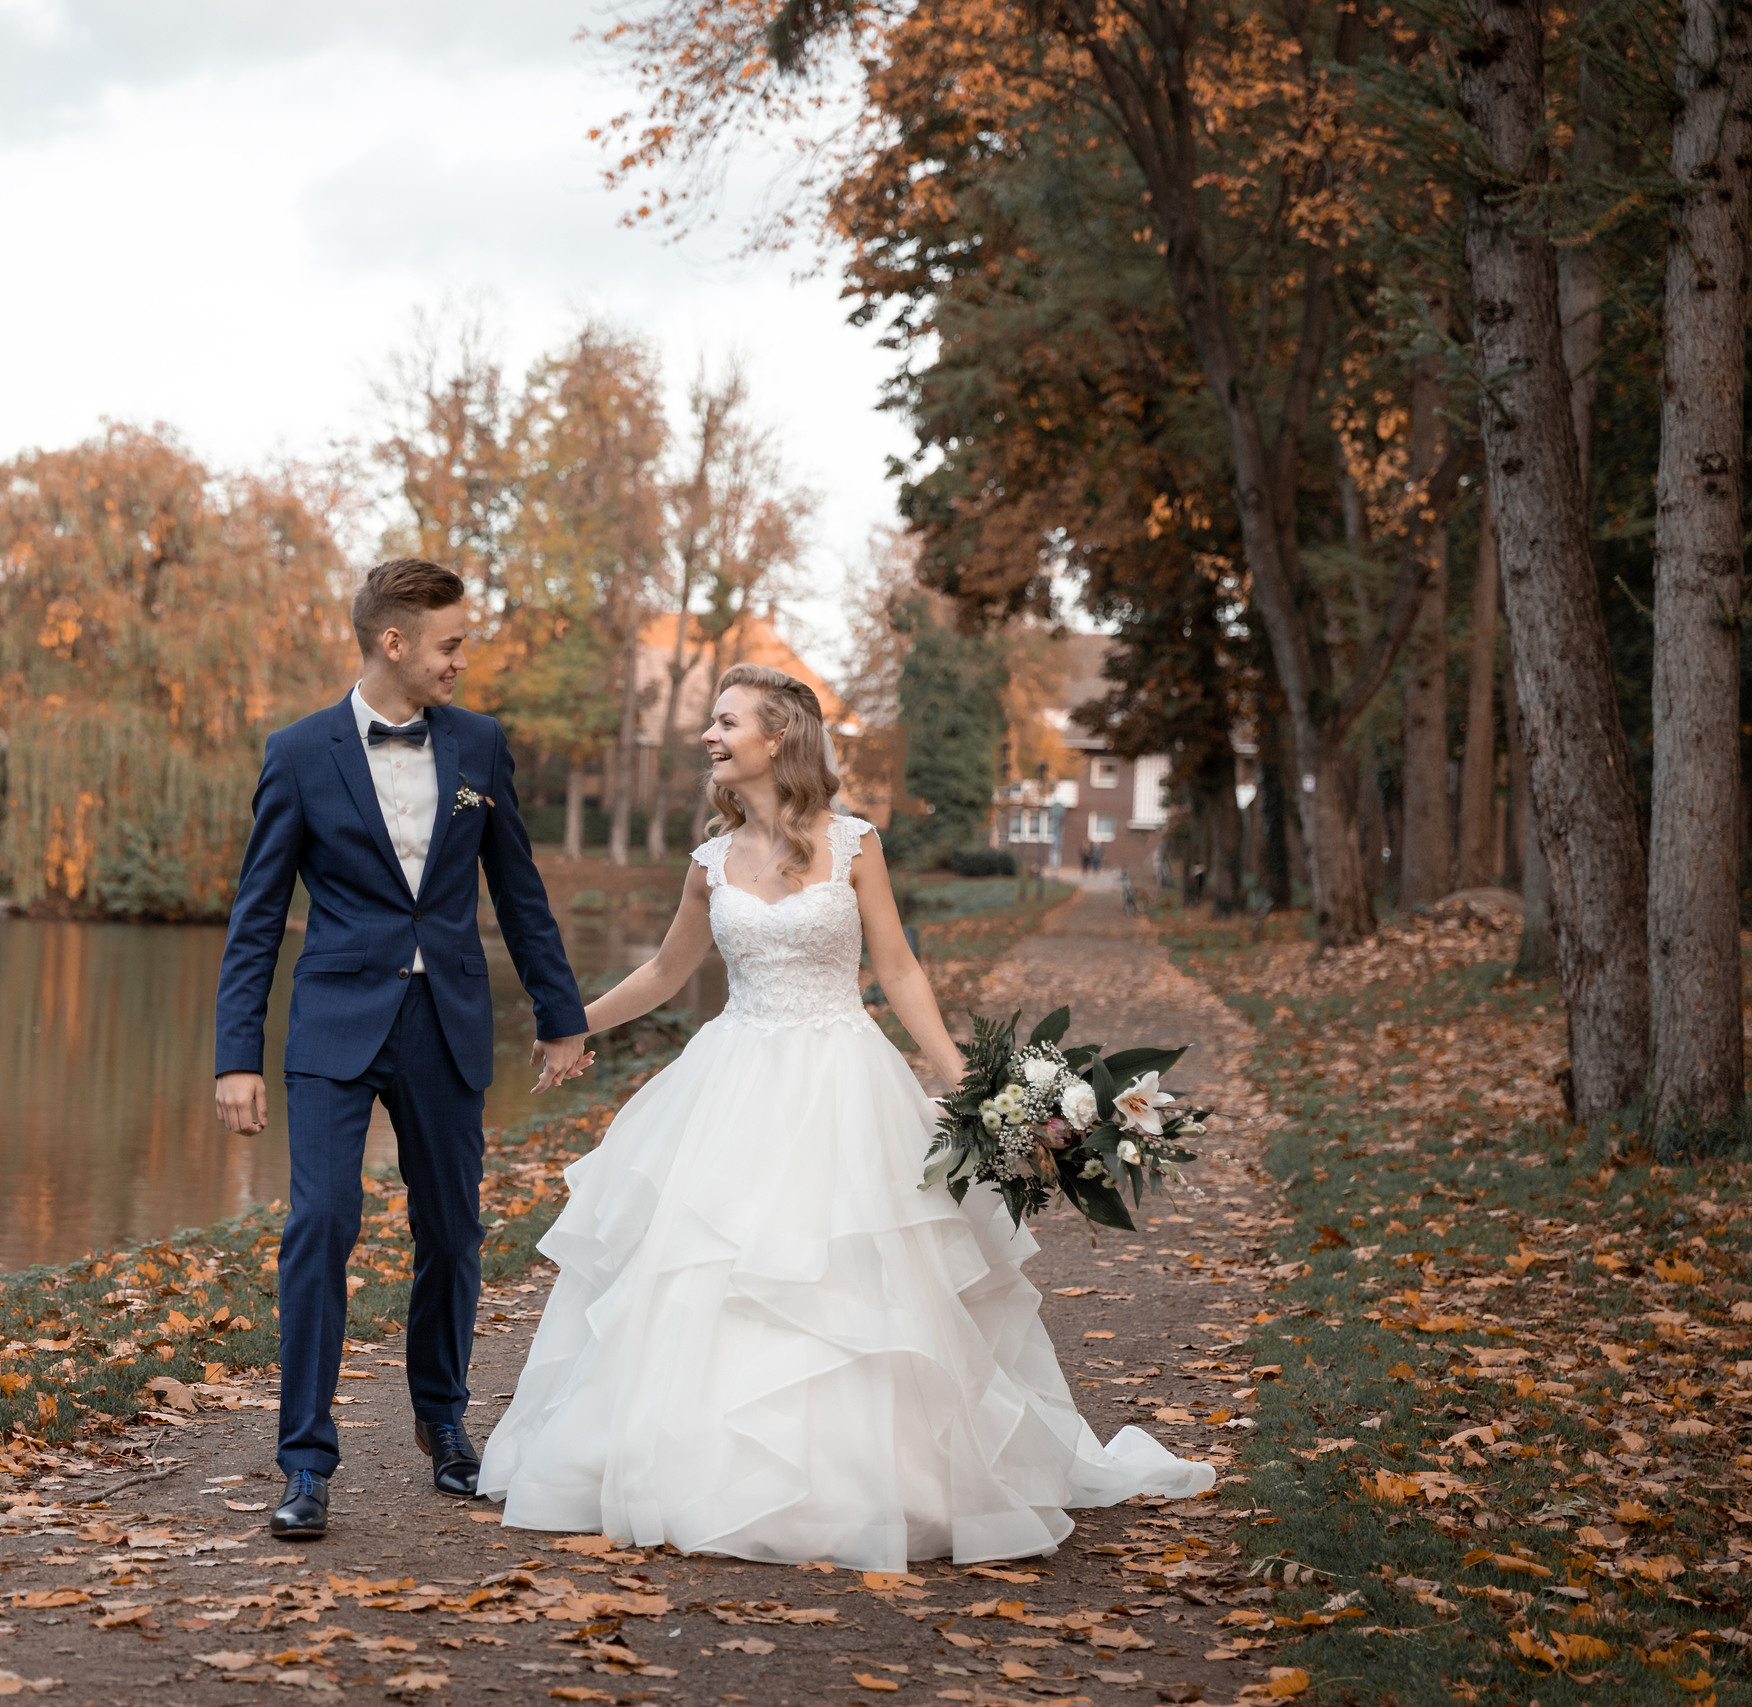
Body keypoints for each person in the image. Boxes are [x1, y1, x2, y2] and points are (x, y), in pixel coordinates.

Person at [477, 664, 1214, 1569]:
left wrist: (971, 1084)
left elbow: (898, 970)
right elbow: (667, 975)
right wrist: (568, 1022)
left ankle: (866, 1480)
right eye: (711, 722)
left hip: (842, 1079)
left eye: (725, 721)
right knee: (713, 1266)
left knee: (858, 1273)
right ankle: (700, 1468)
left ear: (777, 735)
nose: (709, 736)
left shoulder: (856, 843)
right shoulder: (709, 864)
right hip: (734, 1081)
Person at [213, 557, 593, 1542]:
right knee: (320, 1227)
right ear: (394, 643)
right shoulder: (298, 753)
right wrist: (235, 1057)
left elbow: (519, 891)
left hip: (446, 1025)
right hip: (335, 1025)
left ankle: (444, 1422)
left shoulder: (479, 745)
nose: (462, 661)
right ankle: (304, 1463)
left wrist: (561, 1014)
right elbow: (257, 917)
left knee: (453, 1236)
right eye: (451, 644)